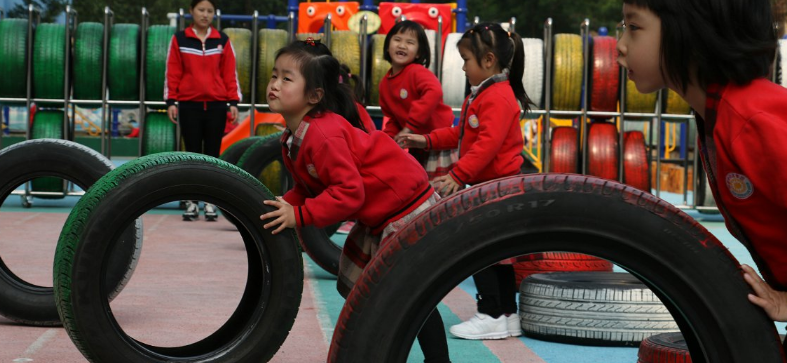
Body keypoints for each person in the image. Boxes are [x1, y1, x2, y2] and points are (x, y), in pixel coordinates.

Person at [259, 40, 451, 363]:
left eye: (286, 78)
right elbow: (308, 187)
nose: (275, 84)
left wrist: (300, 215)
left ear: (315, 95)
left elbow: (349, 194)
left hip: (405, 208)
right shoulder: (294, 136)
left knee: (403, 295)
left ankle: (435, 360)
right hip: (381, 215)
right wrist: (282, 206)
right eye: (274, 75)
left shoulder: (323, 136)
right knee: (380, 295)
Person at [617, 0, 787, 349]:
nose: (619, 45)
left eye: (633, 27)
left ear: (691, 32)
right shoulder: (719, 116)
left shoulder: (751, 119)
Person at [397, 22, 531, 340]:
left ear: (487, 61)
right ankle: (507, 314)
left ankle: (490, 313)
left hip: (495, 186)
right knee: (498, 253)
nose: (461, 66)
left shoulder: (497, 96)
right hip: (492, 185)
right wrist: (423, 140)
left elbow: (488, 144)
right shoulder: (485, 93)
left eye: (466, 60)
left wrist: (458, 175)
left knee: (479, 250)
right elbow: (461, 134)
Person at [164, 0, 241, 221]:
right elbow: (173, 71)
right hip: (189, 106)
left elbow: (229, 73)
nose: (205, 15)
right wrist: (171, 101)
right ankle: (191, 202)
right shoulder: (179, 39)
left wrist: (233, 102)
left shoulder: (222, 41)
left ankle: (210, 202)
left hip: (217, 106)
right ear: (191, 12)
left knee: (213, 156)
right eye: (201, 10)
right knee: (192, 155)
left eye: (209, 11)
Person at [379, 20, 455, 178]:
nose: (402, 46)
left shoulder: (416, 72)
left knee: (439, 191)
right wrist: (388, 140)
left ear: (419, 53)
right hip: (416, 144)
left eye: (410, 42)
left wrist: (410, 127)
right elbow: (393, 119)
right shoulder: (385, 84)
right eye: (397, 40)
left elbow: (434, 92)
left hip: (438, 143)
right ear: (387, 46)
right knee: (418, 185)